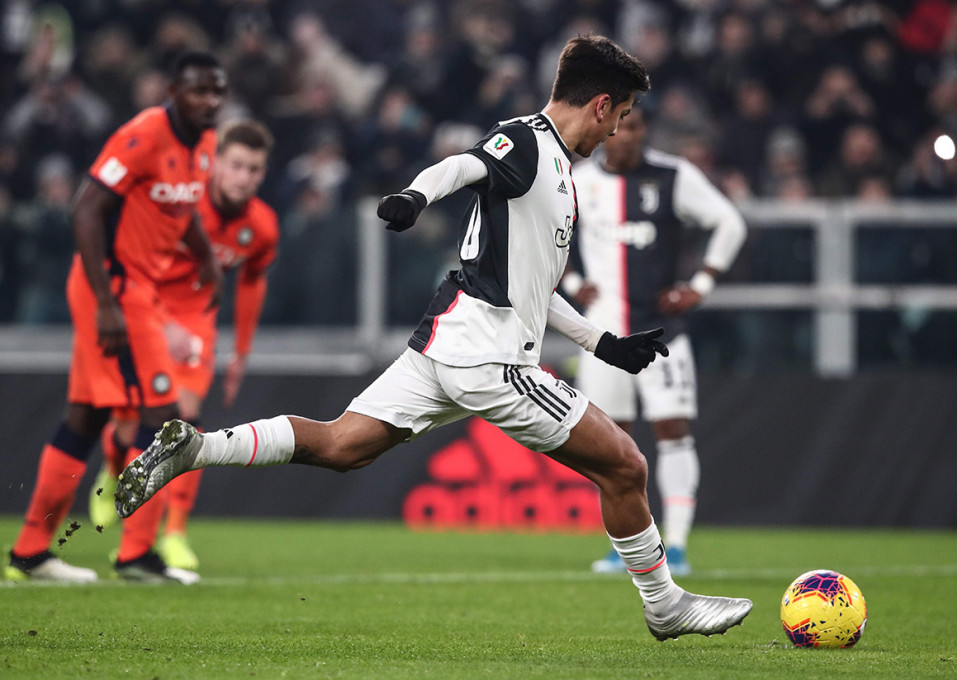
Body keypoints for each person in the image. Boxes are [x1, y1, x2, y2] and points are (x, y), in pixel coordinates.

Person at [116, 35, 753, 639]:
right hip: (491, 359)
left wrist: (602, 344)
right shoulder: (528, 141)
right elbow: (466, 163)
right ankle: (666, 607)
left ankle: (197, 449)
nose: (617, 130)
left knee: (342, 444)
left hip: (448, 345)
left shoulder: (556, 165)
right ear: (601, 104)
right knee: (626, 465)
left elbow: (534, 287)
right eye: (622, 114)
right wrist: (415, 196)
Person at [4, 52, 227, 584]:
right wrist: (105, 300)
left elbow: (185, 207)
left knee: (87, 415)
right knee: (165, 419)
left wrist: (206, 257)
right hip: (116, 290)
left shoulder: (206, 142)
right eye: (199, 90)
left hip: (137, 291)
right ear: (173, 90)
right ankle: (135, 556)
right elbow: (86, 207)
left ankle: (30, 552)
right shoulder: (143, 134)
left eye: (217, 91)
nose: (210, 101)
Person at [563, 104, 747, 576]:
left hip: (663, 333)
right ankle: (625, 547)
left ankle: (679, 544)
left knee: (672, 430)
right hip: (602, 336)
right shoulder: (580, 180)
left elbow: (730, 222)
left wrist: (700, 284)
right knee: (609, 445)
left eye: (636, 127)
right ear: (605, 131)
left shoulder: (673, 176)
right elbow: (549, 238)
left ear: (646, 132)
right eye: (619, 127)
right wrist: (572, 282)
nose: (626, 137)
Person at [88, 119, 279, 572]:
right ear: (217, 165)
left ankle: (173, 533)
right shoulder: (180, 206)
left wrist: (241, 352)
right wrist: (155, 317)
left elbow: (252, 282)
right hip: (145, 306)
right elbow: (134, 256)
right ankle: (114, 467)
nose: (244, 177)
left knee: (183, 423)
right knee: (126, 424)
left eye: (254, 169)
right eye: (236, 165)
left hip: (197, 321)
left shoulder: (262, 226)